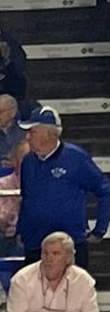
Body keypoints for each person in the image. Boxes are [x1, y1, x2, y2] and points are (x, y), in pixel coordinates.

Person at [16, 105, 110, 263]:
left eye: (32, 131)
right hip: (35, 244)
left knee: (74, 286)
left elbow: (104, 189)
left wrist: (100, 228)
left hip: (69, 245)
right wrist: (22, 230)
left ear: (50, 134)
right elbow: (26, 198)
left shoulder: (75, 158)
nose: (27, 137)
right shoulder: (28, 162)